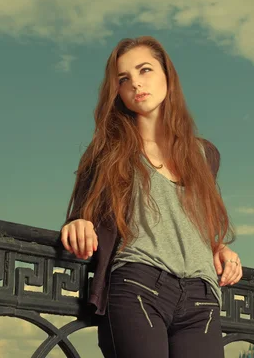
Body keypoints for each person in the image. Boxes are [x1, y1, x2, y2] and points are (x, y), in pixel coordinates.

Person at [59, 36, 242, 358]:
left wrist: (219, 246)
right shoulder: (109, 150)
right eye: (124, 79)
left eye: (145, 70)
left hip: (202, 296)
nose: (136, 84)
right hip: (139, 284)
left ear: (168, 77)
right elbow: (83, 211)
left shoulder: (204, 154)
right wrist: (78, 223)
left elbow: (194, 219)